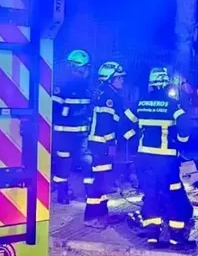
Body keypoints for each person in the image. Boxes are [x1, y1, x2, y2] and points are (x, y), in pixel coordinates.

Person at [135, 67, 194, 249]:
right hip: (165, 161)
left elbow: (125, 124)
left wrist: (133, 139)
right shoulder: (172, 104)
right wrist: (181, 142)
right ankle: (177, 239)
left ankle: (152, 237)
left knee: (151, 194)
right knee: (173, 196)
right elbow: (185, 125)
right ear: (165, 84)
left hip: (143, 159)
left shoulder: (140, 103)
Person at [84, 61, 137, 227]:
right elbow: (112, 124)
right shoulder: (110, 98)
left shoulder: (106, 94)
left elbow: (123, 118)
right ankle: (92, 217)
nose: (122, 80)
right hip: (102, 145)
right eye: (119, 78)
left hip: (99, 144)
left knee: (102, 180)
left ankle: (102, 213)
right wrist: (128, 138)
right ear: (109, 79)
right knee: (99, 181)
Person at [52, 50, 92, 205]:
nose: (87, 71)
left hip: (76, 136)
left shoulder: (85, 88)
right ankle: (71, 194)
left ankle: (67, 195)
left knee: (69, 163)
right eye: (85, 68)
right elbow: (54, 110)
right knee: (68, 164)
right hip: (66, 136)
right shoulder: (63, 87)